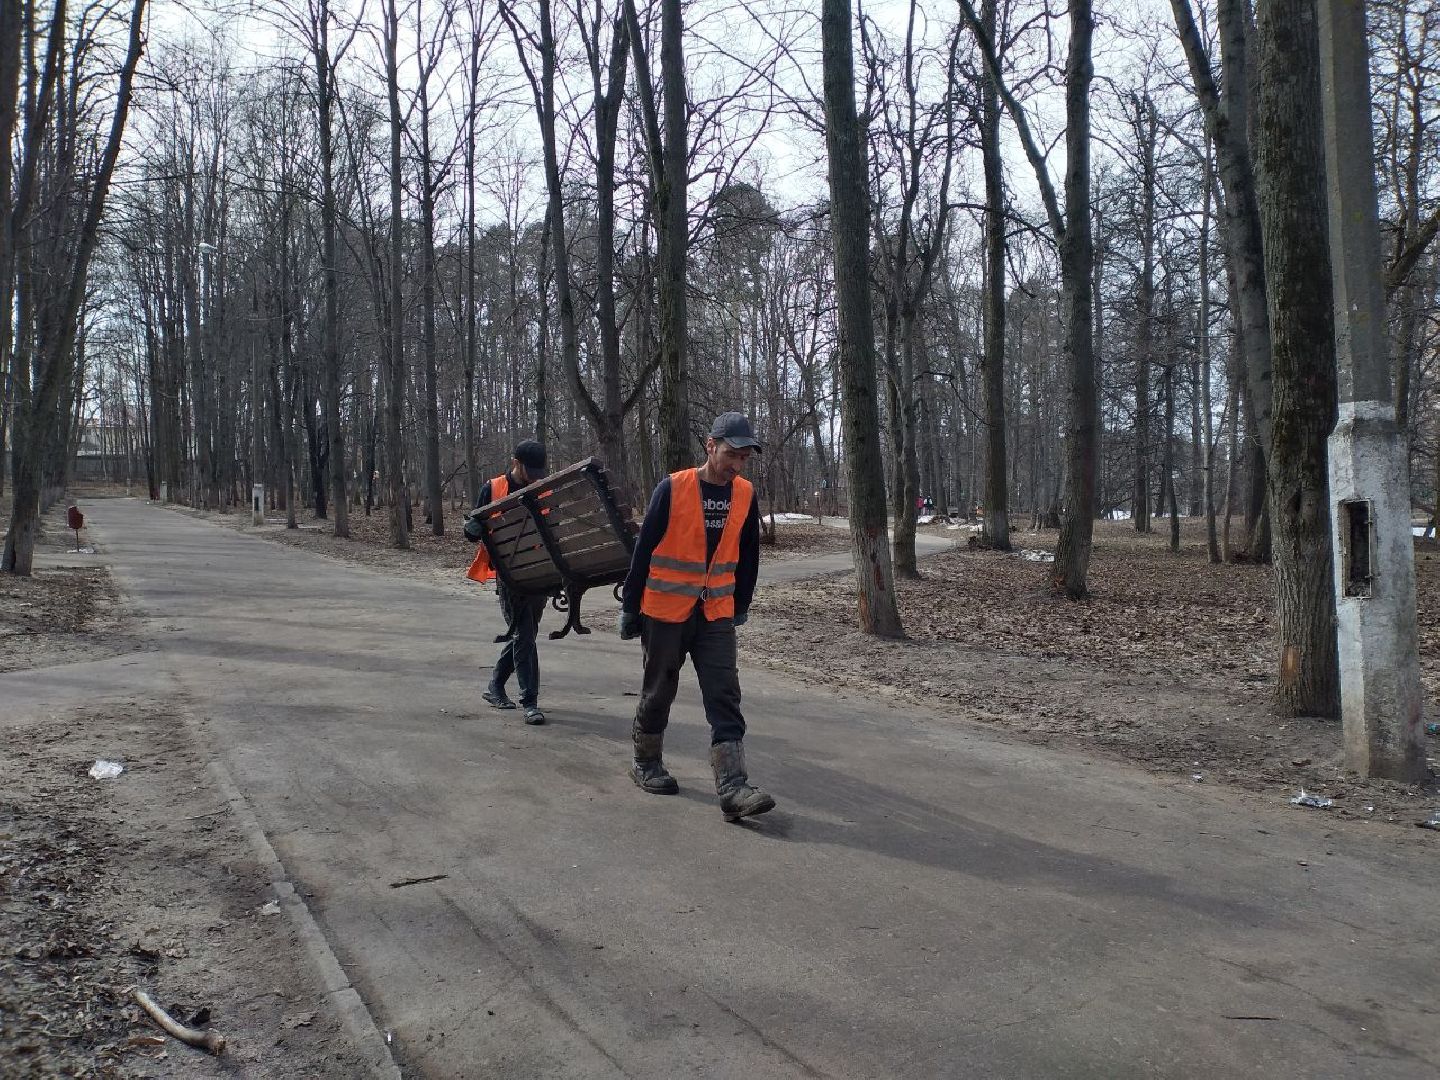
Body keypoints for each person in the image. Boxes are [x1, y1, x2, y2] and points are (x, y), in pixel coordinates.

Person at [616, 412, 775, 822]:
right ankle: (646, 763)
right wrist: (630, 607)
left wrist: (741, 602)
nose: (736, 464)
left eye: (744, 458)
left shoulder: (744, 494)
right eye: (730, 454)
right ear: (710, 446)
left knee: (725, 694)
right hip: (665, 612)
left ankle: (733, 786)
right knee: (659, 690)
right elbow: (644, 550)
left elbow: (749, 556)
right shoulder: (673, 488)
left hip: (716, 613)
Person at [464, 439, 550, 725]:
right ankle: (530, 702)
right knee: (524, 634)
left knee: (524, 635)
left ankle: (495, 686)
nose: (535, 476)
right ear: (516, 462)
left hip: (538, 571)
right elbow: (473, 532)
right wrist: (472, 528)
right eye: (530, 470)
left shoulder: (543, 487)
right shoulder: (493, 488)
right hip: (508, 574)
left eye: (539, 471)